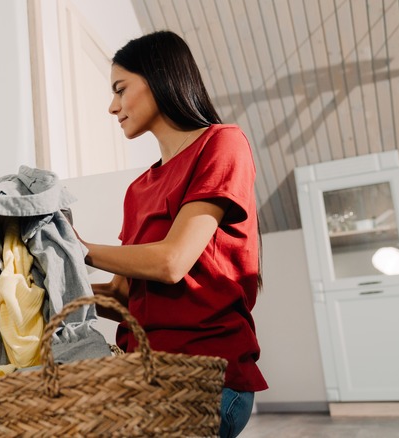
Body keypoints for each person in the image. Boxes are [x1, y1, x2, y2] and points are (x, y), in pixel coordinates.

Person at [78, 30, 268, 438]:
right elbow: (125, 296)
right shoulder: (138, 189)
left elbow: (172, 262)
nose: (113, 107)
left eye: (120, 89)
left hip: (204, 379)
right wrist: (51, 285)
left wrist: (81, 250)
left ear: (159, 77)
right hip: (143, 377)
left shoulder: (222, 144)